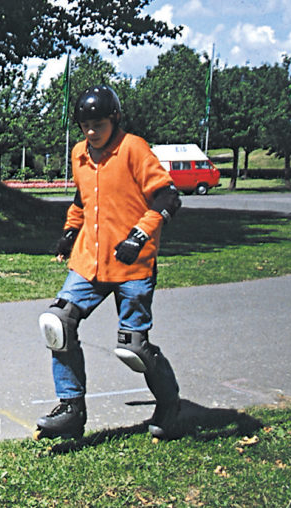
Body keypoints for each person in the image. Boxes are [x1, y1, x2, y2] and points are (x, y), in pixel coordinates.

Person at [35, 84, 183, 440]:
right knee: (57, 323)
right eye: (85, 124)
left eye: (98, 124)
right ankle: (72, 408)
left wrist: (140, 234)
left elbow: (168, 195)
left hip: (132, 263)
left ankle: (169, 402)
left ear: (114, 120)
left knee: (133, 348)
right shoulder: (79, 153)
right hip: (90, 261)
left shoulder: (133, 148)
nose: (91, 131)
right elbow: (83, 198)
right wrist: (70, 232)